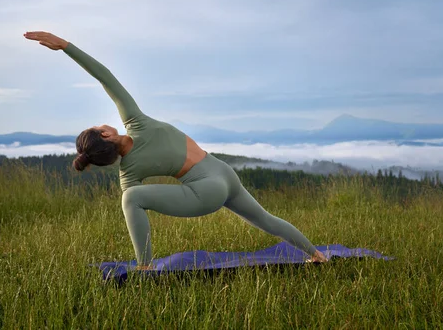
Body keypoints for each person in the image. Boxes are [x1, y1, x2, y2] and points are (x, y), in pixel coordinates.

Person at [23, 31, 328, 269]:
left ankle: (145, 265)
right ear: (105, 133)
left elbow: (133, 206)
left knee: (131, 197)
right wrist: (65, 46)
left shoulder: (128, 172)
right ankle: (316, 254)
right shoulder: (136, 121)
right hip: (222, 173)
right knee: (265, 219)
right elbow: (106, 77)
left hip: (207, 190)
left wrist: (64, 46)